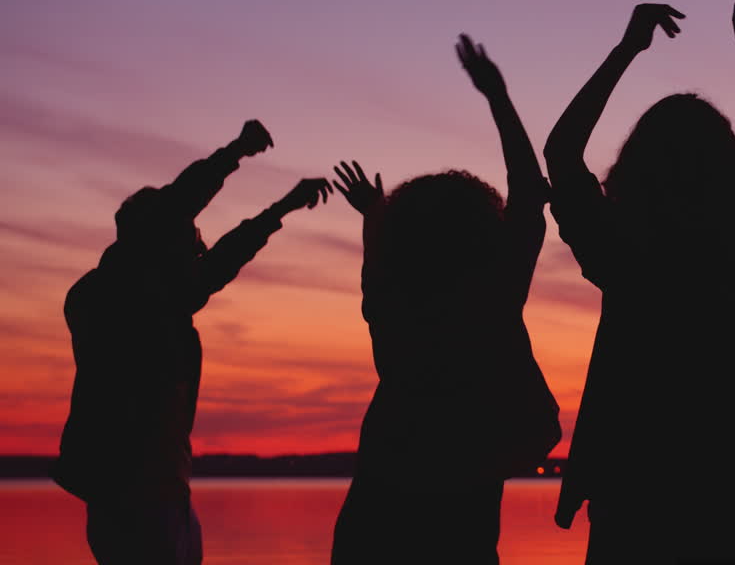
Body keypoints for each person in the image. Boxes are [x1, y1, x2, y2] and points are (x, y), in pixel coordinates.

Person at [544, 0, 735, 564]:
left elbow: (561, 153)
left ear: (637, 167)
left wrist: (628, 49)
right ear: (728, 166)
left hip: (635, 492)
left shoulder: (625, 249)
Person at [53, 120, 333, 565]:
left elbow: (214, 258)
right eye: (190, 242)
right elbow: (204, 243)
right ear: (156, 243)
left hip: (163, 490)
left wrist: (282, 206)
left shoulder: (135, 299)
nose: (197, 252)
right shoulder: (123, 301)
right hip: (137, 499)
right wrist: (237, 152)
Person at [330, 35, 561, 564]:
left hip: (372, 522)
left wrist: (373, 214)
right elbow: (529, 195)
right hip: (460, 529)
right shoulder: (489, 301)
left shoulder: (394, 303)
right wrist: (497, 96)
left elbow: (374, 272)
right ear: (483, 228)